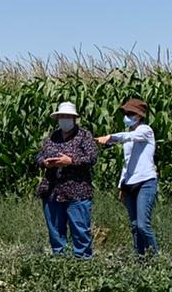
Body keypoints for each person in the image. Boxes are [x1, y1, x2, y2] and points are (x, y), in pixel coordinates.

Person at [95, 98, 158, 256]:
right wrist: (121, 186)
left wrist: (110, 137)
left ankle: (155, 258)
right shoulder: (129, 135)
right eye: (126, 113)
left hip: (145, 181)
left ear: (139, 116)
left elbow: (128, 137)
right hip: (129, 183)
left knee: (143, 225)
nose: (127, 116)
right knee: (135, 226)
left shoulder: (145, 131)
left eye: (130, 113)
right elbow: (127, 163)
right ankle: (140, 259)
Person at [35, 101, 98, 258]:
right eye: (61, 116)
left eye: (67, 116)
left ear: (74, 118)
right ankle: (60, 262)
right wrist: (45, 162)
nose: (64, 119)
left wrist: (70, 161)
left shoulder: (84, 136)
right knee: (56, 232)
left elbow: (92, 158)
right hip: (52, 191)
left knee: (80, 230)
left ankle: (83, 262)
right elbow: (39, 156)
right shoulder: (53, 136)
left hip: (77, 190)